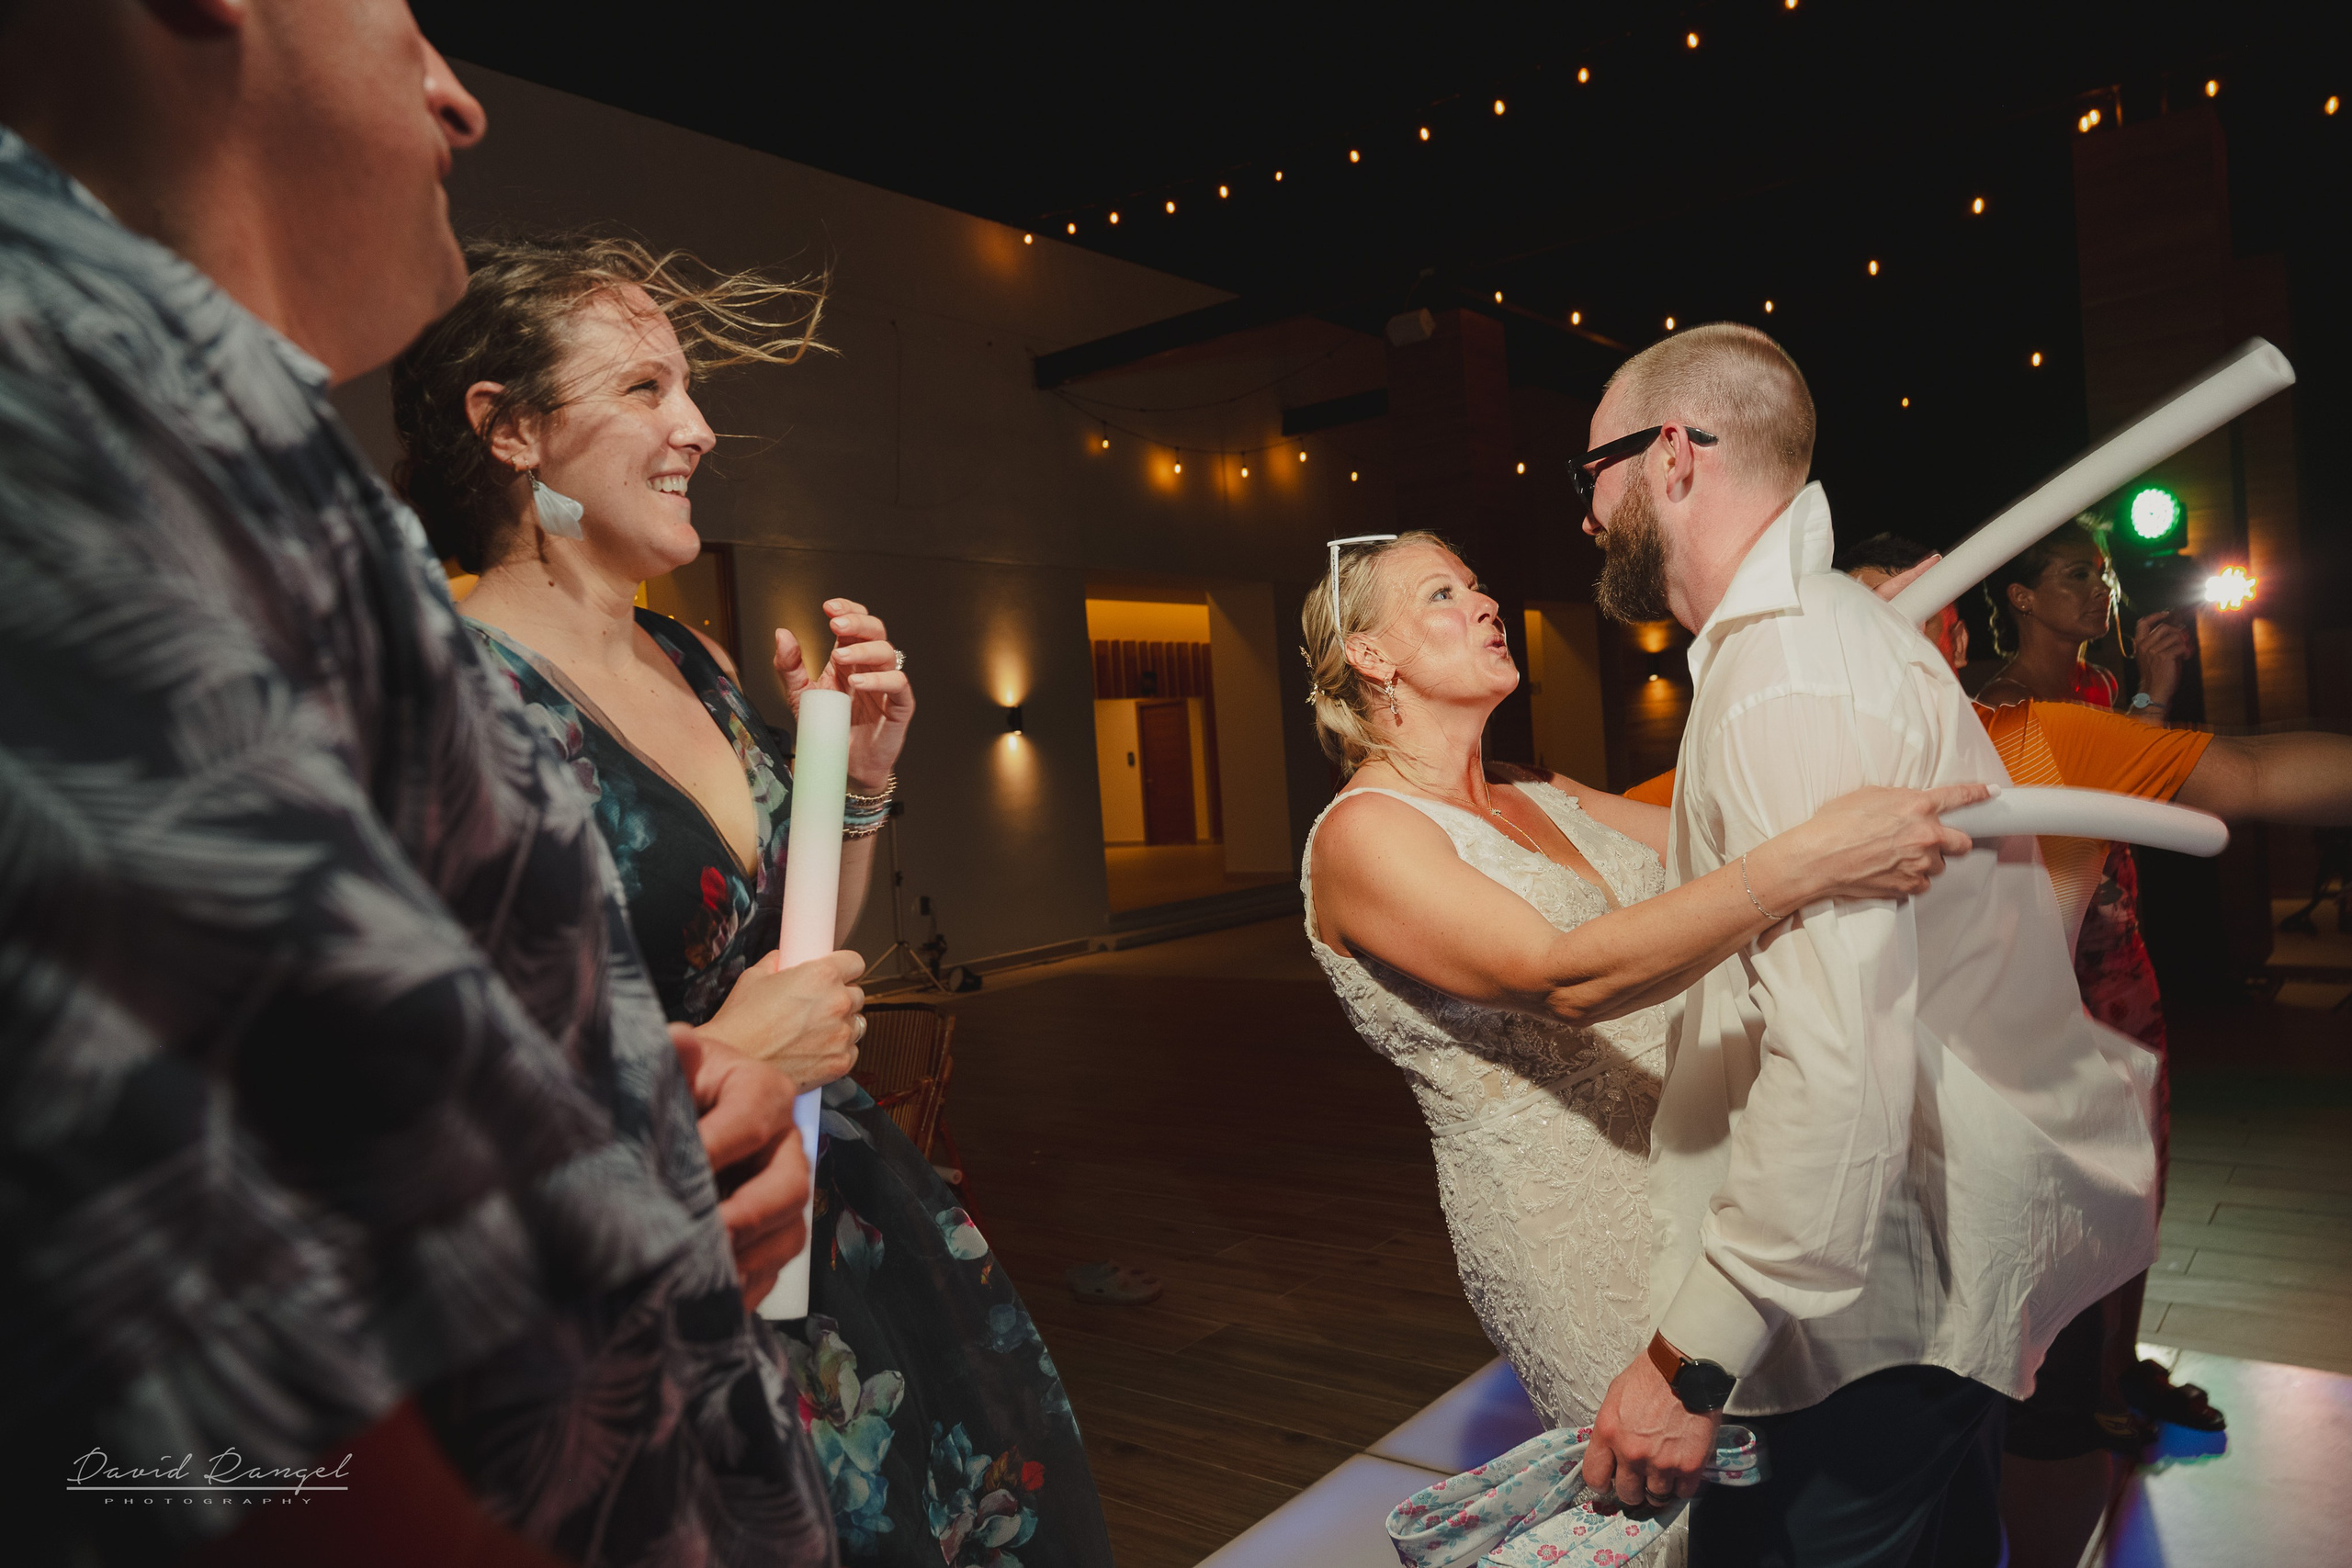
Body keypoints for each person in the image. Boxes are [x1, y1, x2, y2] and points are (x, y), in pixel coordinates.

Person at [0, 6, 839, 1566]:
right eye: (402, 25)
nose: (462, 103)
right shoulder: (50, 374)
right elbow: (130, 1261)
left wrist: (653, 1108)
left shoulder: (225, 432)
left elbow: (331, 1041)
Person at [390, 235, 1112, 1568]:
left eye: (692, 388)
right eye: (648, 388)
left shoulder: (697, 657)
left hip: (855, 1215)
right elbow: (438, 1097)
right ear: (510, 429)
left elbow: (797, 944)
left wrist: (862, 784)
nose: (699, 426)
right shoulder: (444, 695)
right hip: (678, 1252)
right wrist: (728, 1057)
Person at [1574, 324, 2159, 1568]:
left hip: (1860, 1325)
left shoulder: (1792, 670)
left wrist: (1690, 1358)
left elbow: (1834, 1068)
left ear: (1673, 455)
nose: (1587, 511)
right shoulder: (1812, 639)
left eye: (1595, 472)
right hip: (1903, 1296)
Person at [1298, 531, 1984, 1444]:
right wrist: (1811, 863)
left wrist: (1843, 648)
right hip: (1577, 1227)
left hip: (1705, 1166)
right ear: (1370, 654)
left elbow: (1736, 831)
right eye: (1440, 595)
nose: (1485, 604)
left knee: (1782, 1481)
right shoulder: (1363, 838)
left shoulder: (1533, 788)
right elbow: (1567, 975)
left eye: (1477, 583)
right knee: (1673, 1502)